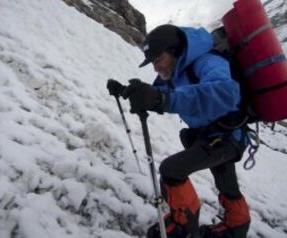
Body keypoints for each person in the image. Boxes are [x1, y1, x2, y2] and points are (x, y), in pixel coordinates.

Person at [107, 24, 251, 238]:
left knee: (172, 171)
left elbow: (226, 92)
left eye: (158, 60)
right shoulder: (175, 70)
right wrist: (127, 91)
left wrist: (163, 100)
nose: (155, 68)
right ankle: (237, 225)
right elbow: (159, 93)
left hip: (228, 135)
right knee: (224, 179)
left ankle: (184, 227)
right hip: (209, 134)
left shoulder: (207, 61)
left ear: (175, 51)